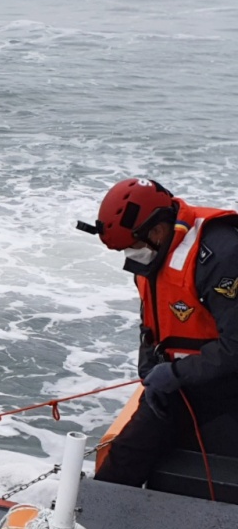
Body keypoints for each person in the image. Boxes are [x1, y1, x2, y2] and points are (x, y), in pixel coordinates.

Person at [78, 177, 238, 486]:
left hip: (224, 377)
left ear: (157, 230)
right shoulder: (153, 256)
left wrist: (176, 375)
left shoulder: (222, 255)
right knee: (121, 462)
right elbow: (151, 322)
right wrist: (149, 370)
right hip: (183, 379)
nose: (131, 254)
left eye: (133, 246)